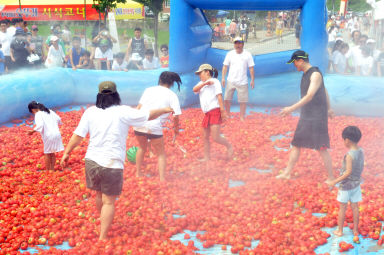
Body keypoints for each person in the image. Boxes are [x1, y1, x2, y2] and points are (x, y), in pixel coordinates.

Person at [60, 81, 174, 240]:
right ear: (116, 95)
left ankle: (102, 222)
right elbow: (148, 115)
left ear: (99, 95)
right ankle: (103, 237)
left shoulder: (90, 112)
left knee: (99, 195)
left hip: (91, 161)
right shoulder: (123, 111)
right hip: (111, 163)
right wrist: (164, 109)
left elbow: (78, 135)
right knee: (109, 202)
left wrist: (67, 152)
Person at [276, 50, 334, 181]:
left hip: (317, 117)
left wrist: (291, 108)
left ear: (301, 61)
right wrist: (330, 109)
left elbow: (310, 95)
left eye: (295, 62)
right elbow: (325, 91)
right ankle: (287, 173)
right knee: (296, 144)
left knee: (321, 148)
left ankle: (331, 177)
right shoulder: (305, 74)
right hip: (307, 116)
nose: (294, 65)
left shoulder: (315, 75)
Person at [134, 72, 182, 182]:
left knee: (142, 147)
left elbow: (139, 107)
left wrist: (133, 121)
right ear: (172, 83)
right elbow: (175, 116)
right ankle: (162, 179)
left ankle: (138, 173)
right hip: (154, 125)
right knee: (160, 153)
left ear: (160, 80)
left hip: (140, 122)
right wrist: (176, 130)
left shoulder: (148, 90)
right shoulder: (172, 95)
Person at [325, 126, 364, 237]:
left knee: (342, 208)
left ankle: (340, 231)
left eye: (343, 139)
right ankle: (355, 230)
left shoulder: (349, 156)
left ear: (347, 140)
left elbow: (347, 172)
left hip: (346, 186)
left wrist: (334, 181)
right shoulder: (361, 151)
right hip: (357, 184)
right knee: (355, 207)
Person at [193, 64, 233, 161]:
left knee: (215, 137)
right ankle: (206, 157)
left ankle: (229, 146)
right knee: (205, 137)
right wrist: (204, 84)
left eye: (200, 73)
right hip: (207, 113)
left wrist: (223, 111)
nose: (199, 76)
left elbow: (219, 96)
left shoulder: (215, 81)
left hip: (215, 111)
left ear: (207, 72)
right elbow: (194, 89)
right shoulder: (200, 84)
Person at [221, 36, 255, 121]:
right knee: (226, 99)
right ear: (234, 45)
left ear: (243, 44)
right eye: (236, 43)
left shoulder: (247, 54)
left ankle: (242, 116)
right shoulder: (230, 54)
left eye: (239, 43)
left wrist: (252, 80)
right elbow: (225, 66)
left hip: (242, 82)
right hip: (230, 81)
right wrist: (223, 78)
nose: (238, 45)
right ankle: (228, 114)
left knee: (243, 101)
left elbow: (251, 68)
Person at [28, 101, 64, 171]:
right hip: (57, 134)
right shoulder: (49, 111)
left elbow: (40, 125)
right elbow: (59, 119)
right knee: (52, 152)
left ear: (32, 110)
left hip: (49, 135)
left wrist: (32, 131)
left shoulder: (38, 114)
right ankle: (52, 169)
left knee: (47, 153)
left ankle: (47, 170)